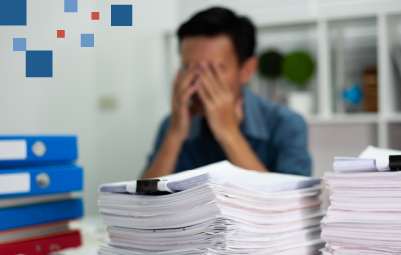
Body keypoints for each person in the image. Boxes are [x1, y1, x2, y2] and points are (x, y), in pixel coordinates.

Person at [142, 7, 311, 179]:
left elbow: (288, 201)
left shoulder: (286, 124)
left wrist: (228, 133)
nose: (199, 82)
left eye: (213, 70)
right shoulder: (172, 123)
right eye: (189, 68)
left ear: (246, 70)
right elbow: (141, 201)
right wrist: (174, 135)